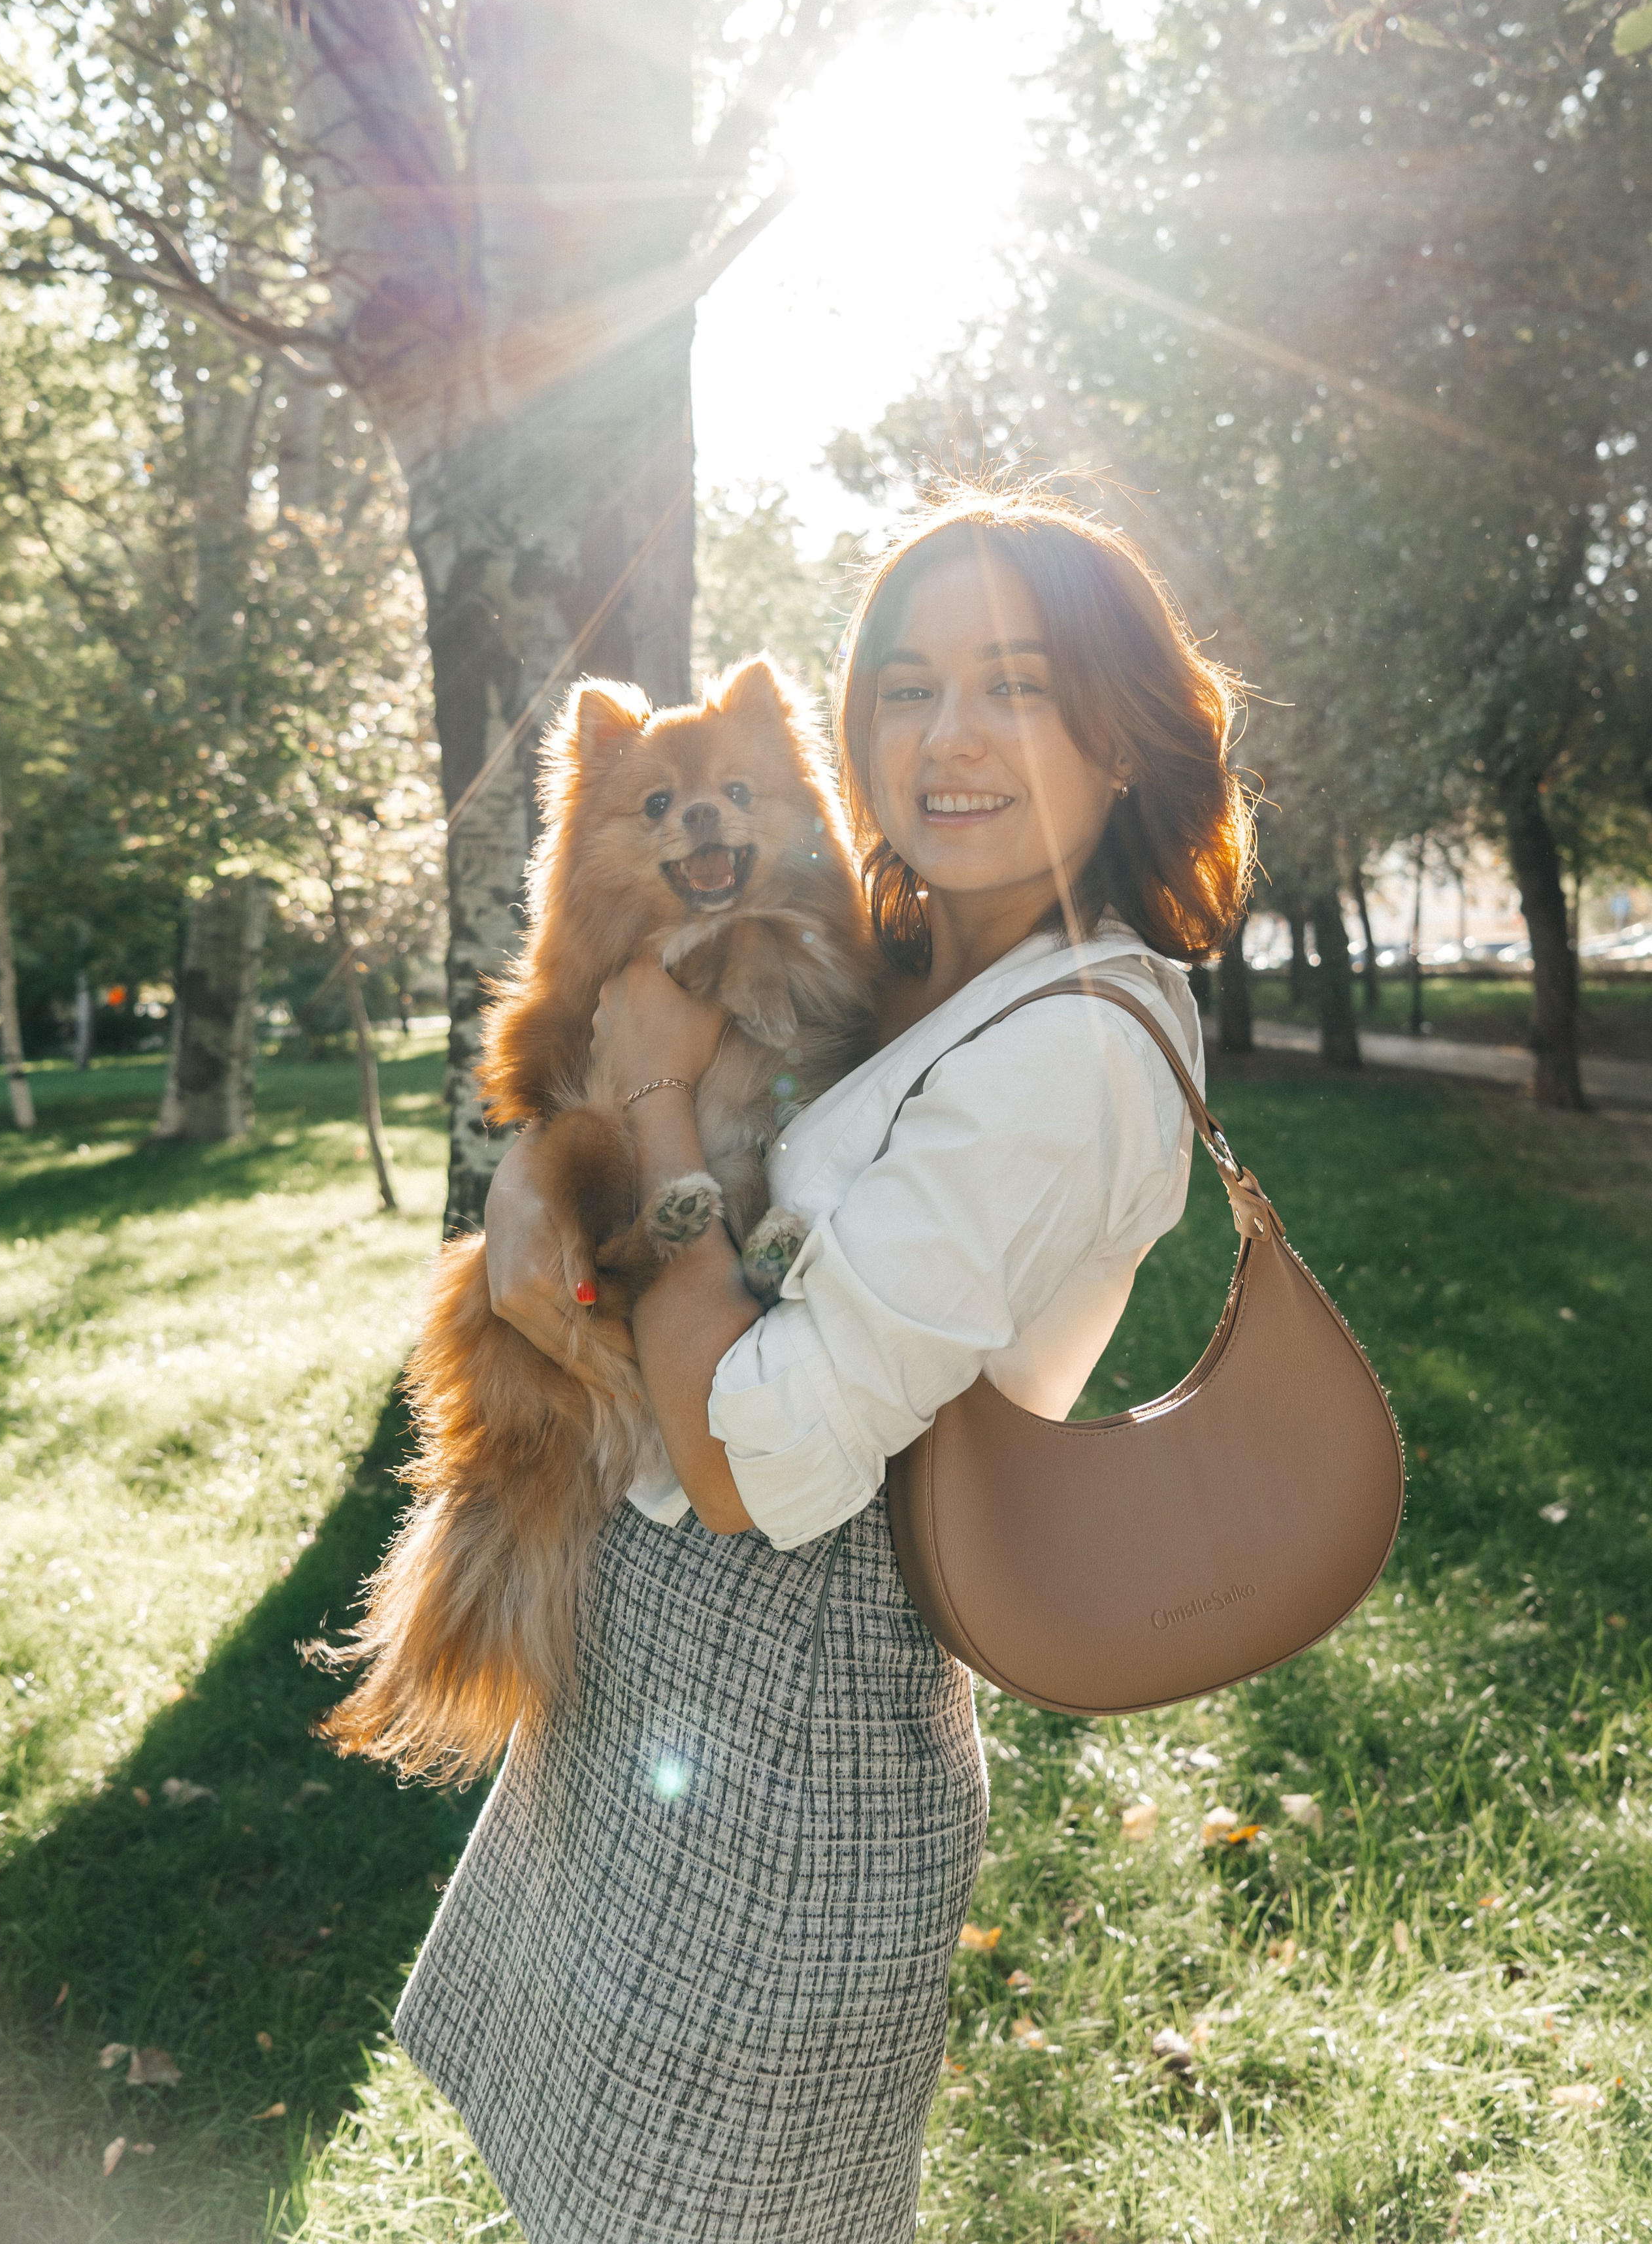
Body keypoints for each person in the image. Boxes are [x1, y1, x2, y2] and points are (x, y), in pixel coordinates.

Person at [393, 480, 1253, 2243]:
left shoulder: (1076, 1051)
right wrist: (540, 1176)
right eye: (907, 687)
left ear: (1121, 733)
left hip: (796, 1726)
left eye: (1017, 684)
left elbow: (752, 1464)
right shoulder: (913, 958)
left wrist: (647, 1093)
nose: (948, 736)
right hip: (662, 1673)